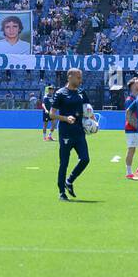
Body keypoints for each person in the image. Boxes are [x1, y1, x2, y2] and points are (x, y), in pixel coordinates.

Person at [52, 67, 92, 201]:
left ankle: (69, 181)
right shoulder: (61, 93)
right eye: (78, 77)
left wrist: (92, 121)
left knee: (85, 159)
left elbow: (88, 109)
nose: (81, 80)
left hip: (79, 132)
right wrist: (65, 118)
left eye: (81, 77)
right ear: (70, 77)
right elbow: (52, 114)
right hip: (66, 133)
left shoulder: (82, 92)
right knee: (64, 163)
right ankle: (61, 192)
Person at [123, 77, 138, 180]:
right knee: (131, 149)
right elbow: (129, 116)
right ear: (133, 86)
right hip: (132, 128)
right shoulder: (130, 100)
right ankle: (129, 172)